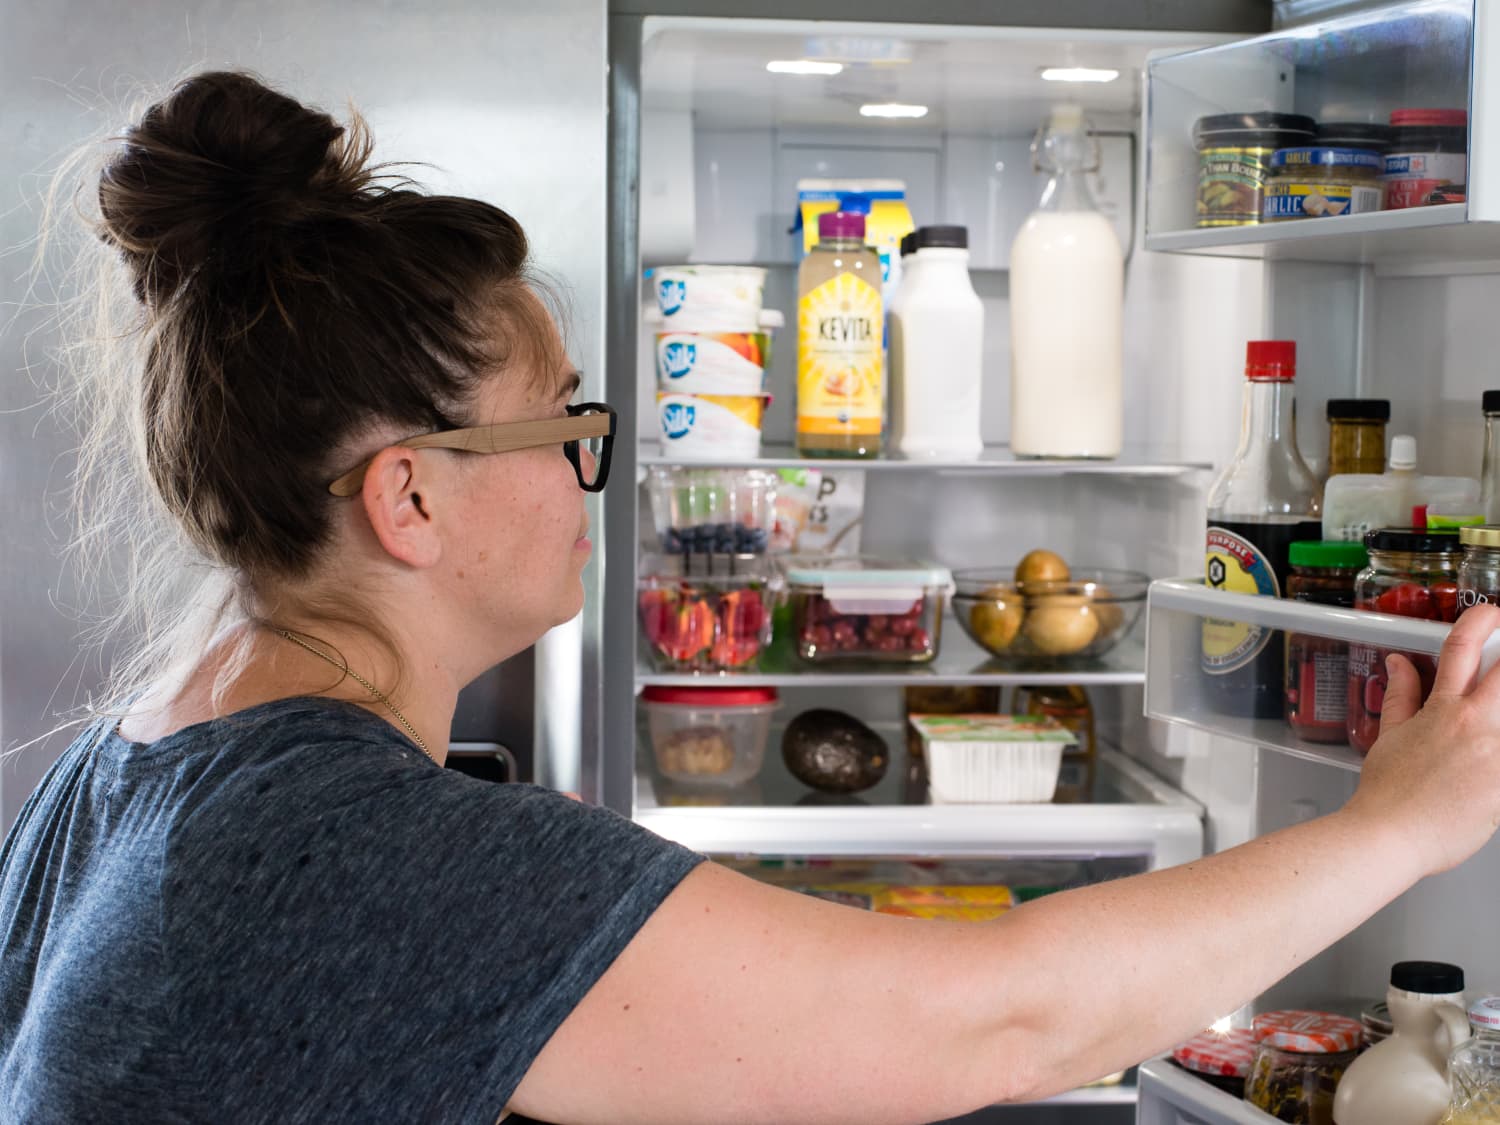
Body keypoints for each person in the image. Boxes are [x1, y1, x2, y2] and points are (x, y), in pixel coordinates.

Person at [3, 69, 1500, 1125]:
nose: (604, 458)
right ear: (409, 496)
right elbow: (1004, 1014)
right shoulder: (375, 852)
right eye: (571, 426)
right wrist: (1401, 824)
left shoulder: (116, 773)